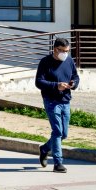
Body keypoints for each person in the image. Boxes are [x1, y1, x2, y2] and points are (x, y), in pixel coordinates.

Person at [36, 37, 79, 173]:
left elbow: (76, 76)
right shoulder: (45, 62)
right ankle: (58, 163)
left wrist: (73, 84)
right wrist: (56, 86)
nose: (66, 53)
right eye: (63, 51)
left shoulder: (69, 60)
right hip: (51, 100)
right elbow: (39, 82)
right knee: (57, 131)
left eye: (67, 51)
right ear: (56, 49)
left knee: (64, 134)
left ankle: (44, 149)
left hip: (65, 99)